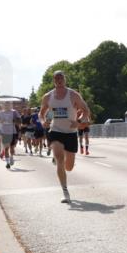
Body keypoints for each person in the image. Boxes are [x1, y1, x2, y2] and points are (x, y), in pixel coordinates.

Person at [39, 71, 91, 203]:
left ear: (65, 79)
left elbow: (86, 111)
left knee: (69, 167)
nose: (59, 80)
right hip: (55, 131)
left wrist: (79, 121)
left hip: (71, 133)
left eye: (61, 78)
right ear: (53, 81)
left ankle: (59, 162)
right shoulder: (48, 97)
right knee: (60, 159)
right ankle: (65, 191)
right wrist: (43, 121)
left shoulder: (73, 95)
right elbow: (41, 113)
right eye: (56, 78)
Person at [0, 102, 19, 167]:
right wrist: (1, 121)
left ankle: (11, 157)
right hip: (4, 132)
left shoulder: (14, 112)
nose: (7, 106)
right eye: (5, 105)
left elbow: (19, 121)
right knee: (6, 148)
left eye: (8, 105)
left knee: (12, 148)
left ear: (10, 106)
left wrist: (14, 121)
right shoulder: (1, 113)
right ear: (4, 106)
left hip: (12, 132)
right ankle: (7, 163)